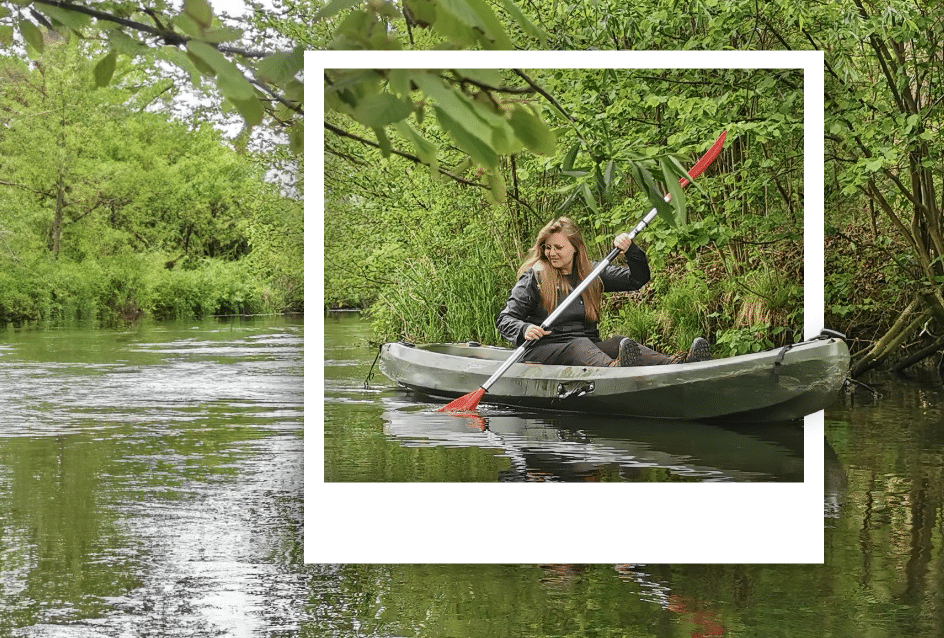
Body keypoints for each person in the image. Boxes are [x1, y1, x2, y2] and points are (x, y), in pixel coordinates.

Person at [496, 216, 711, 367]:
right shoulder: (535, 277)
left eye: (558, 248)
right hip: (543, 350)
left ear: (575, 248)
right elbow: (505, 319)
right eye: (547, 247)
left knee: (617, 341)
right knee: (578, 345)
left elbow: (637, 279)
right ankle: (613, 370)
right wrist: (524, 328)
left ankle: (677, 363)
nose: (551, 253)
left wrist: (631, 250)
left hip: (586, 347)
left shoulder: (592, 273)